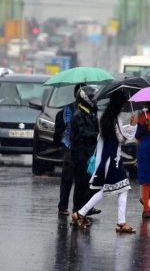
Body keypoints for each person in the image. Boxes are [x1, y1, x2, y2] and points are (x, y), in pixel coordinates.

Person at [72, 90, 138, 233]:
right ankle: (119, 222)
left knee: (109, 190)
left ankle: (80, 213)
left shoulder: (107, 117)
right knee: (121, 188)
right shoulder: (115, 118)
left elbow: (116, 134)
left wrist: (128, 127)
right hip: (112, 160)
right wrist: (133, 126)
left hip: (108, 160)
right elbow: (121, 138)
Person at [56, 83, 85, 215]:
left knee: (81, 180)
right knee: (67, 179)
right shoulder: (69, 108)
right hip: (69, 147)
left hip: (83, 148)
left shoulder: (90, 108)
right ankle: (63, 207)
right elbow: (69, 124)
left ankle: (78, 208)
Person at [70, 86, 99, 214]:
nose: (96, 101)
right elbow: (83, 134)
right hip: (81, 155)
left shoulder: (90, 112)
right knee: (80, 184)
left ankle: (86, 208)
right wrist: (96, 135)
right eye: (93, 99)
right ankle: (77, 211)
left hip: (89, 153)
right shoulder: (79, 115)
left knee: (89, 183)